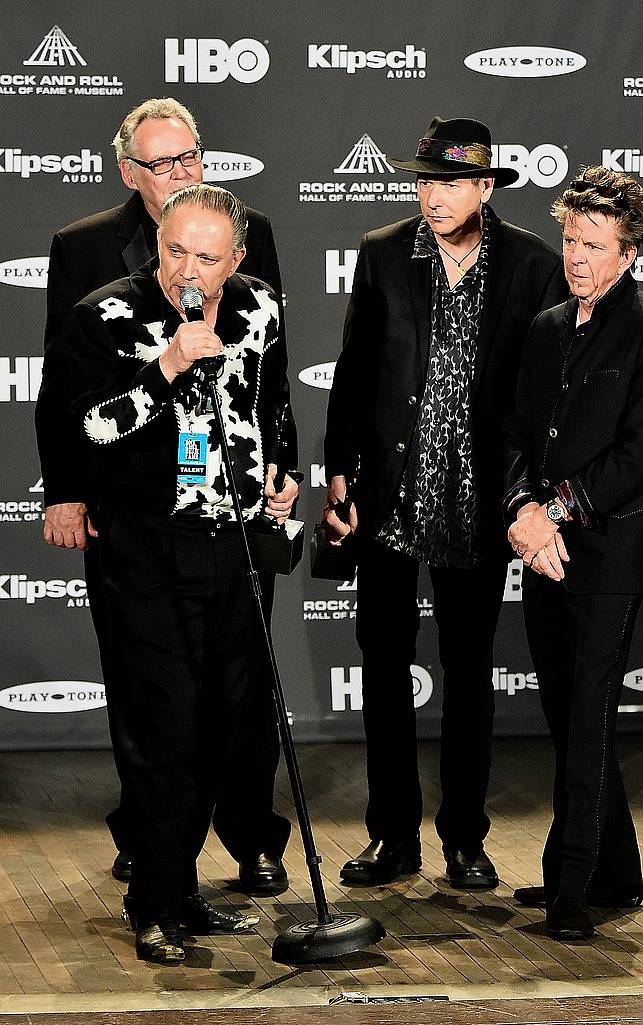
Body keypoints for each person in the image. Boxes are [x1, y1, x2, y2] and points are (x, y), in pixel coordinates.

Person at [34, 97, 290, 896]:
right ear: (131, 176)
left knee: (237, 703)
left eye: (189, 159)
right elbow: (69, 400)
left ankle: (250, 839)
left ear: (235, 254)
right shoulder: (92, 276)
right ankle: (158, 864)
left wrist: (279, 477)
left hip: (234, 528)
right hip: (141, 522)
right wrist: (68, 492)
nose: (190, 268)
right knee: (155, 708)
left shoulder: (255, 282)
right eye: (162, 164)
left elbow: (266, 394)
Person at [322, 116, 567, 888]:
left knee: (467, 676)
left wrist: (530, 493)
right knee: (384, 671)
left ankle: (465, 837)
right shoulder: (382, 252)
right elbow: (354, 370)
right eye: (424, 181)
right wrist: (337, 470)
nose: (432, 195)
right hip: (390, 500)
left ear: (485, 187)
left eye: (450, 181)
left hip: (479, 502)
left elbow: (540, 391)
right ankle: (391, 837)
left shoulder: (531, 263)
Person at [503, 166, 643, 940]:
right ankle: (616, 871)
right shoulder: (547, 327)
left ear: (628, 251)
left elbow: (639, 453)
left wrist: (549, 512)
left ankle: (570, 883)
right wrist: (519, 507)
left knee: (586, 719)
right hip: (544, 550)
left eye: (591, 243)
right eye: (568, 239)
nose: (574, 256)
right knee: (566, 714)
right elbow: (517, 434)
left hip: (605, 556)